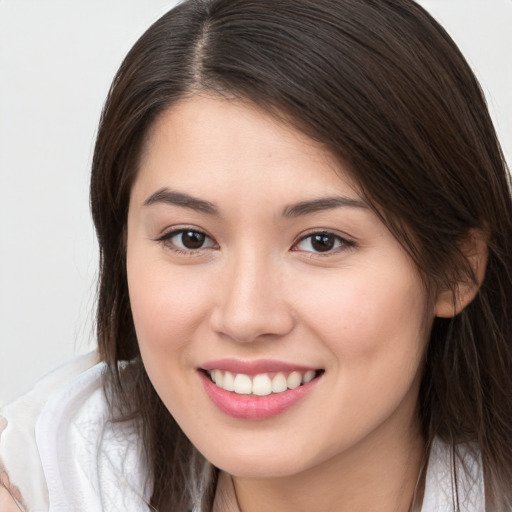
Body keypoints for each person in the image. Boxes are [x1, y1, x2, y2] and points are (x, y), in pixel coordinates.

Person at [1, 0, 511, 510]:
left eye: (321, 241)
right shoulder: (36, 480)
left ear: (456, 269)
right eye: (190, 238)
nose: (245, 317)